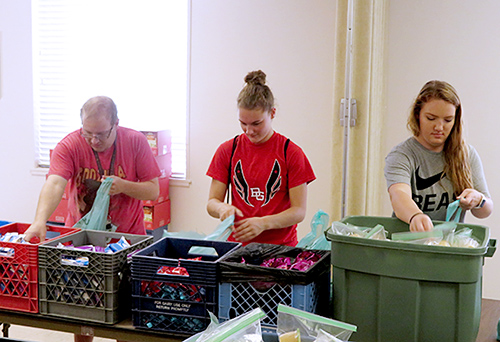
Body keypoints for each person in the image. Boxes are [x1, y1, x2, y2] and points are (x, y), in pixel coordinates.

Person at [24, 96, 161, 342]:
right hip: (80, 239)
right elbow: (55, 182)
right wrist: (39, 219)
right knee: (83, 309)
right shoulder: (70, 144)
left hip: (126, 239)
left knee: (125, 317)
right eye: (88, 133)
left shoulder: (135, 141)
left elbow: (153, 190)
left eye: (101, 134)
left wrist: (124, 186)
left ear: (116, 124)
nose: (94, 141)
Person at [206, 70, 316, 246]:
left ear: (272, 113)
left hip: (280, 249)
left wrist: (263, 223)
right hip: (236, 248)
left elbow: (298, 211)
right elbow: (212, 202)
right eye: (243, 123)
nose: (249, 131)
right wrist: (222, 208)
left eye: (256, 123)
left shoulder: (291, 153)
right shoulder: (228, 150)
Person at [384, 80, 493, 232]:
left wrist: (478, 200)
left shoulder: (467, 154)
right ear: (418, 115)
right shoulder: (402, 155)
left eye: (448, 120)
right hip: (409, 245)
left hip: (448, 245)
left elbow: (485, 210)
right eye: (431, 118)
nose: (439, 127)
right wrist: (415, 216)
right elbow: (398, 195)